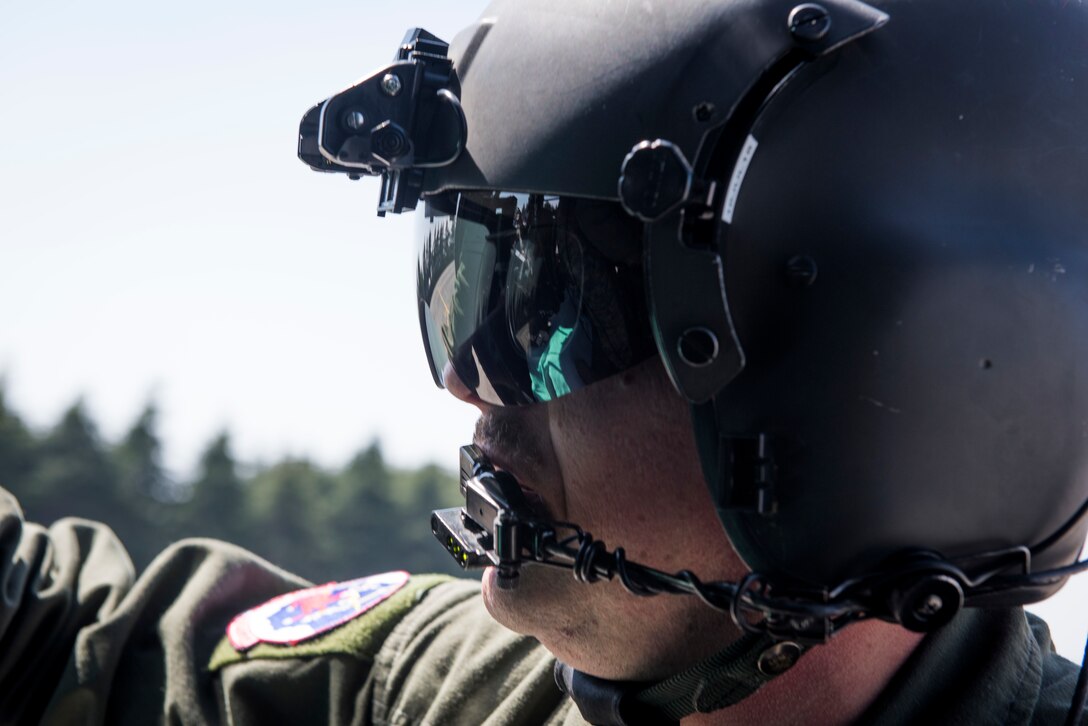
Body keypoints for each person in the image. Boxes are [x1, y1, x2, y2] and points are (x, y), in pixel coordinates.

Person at [2, 0, 1088, 723]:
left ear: (877, 389)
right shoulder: (451, 690)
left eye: (543, 310)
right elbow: (64, 631)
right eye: (454, 284)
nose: (462, 383)